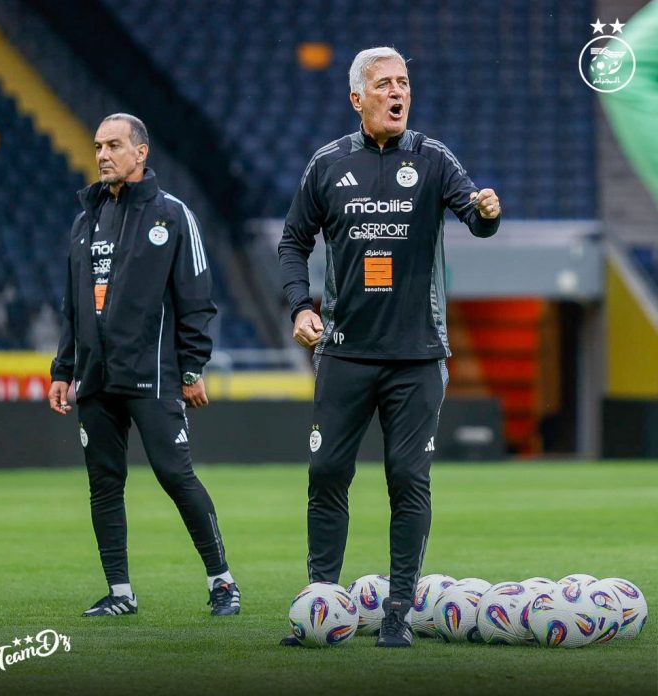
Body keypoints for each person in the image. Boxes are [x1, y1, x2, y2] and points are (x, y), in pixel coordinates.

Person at [278, 47, 501, 648]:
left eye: (403, 82)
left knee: (407, 478)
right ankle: (321, 604)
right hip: (345, 352)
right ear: (358, 98)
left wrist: (486, 213)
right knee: (327, 473)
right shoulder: (328, 164)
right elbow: (293, 242)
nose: (397, 92)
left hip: (417, 356)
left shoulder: (432, 158)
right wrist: (301, 306)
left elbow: (475, 216)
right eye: (384, 84)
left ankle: (398, 614)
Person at [48, 113, 240, 618]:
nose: (102, 155)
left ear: (141, 152)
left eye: (113, 145)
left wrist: (192, 369)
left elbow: (197, 301)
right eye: (98, 146)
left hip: (153, 375)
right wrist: (63, 370)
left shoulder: (173, 215)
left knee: (176, 475)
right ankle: (120, 593)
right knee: (104, 485)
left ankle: (222, 582)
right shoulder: (85, 220)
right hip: (95, 377)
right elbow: (73, 305)